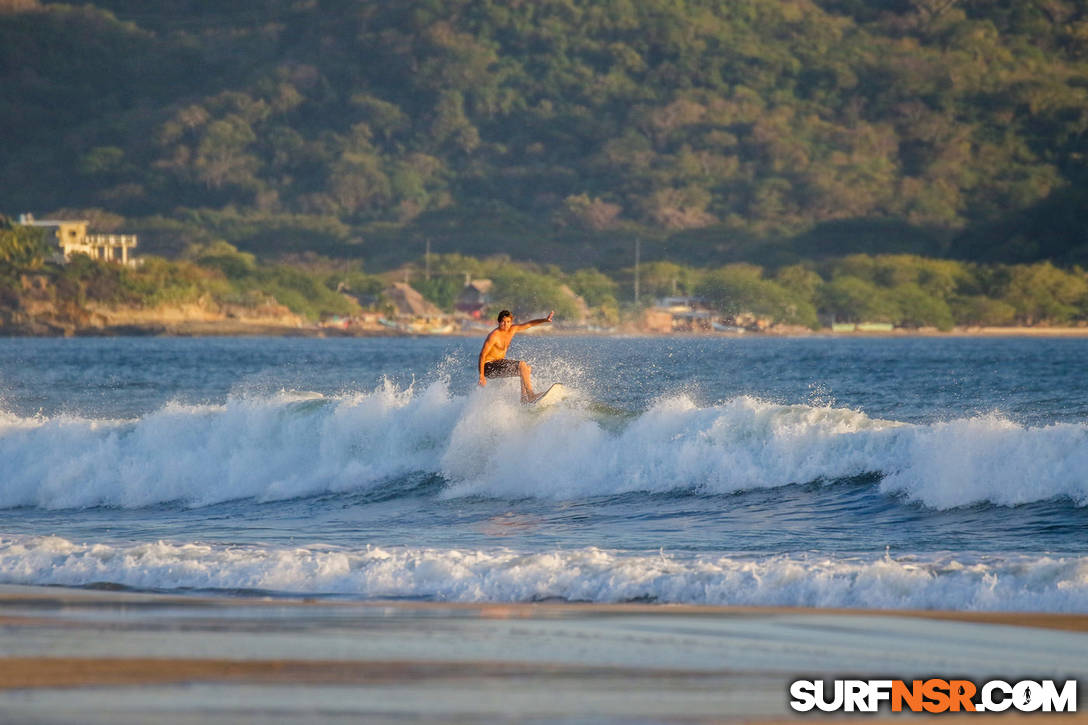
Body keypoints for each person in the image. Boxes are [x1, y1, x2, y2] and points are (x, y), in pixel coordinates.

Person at [478, 309, 554, 402]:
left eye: (508, 322)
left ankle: (524, 398)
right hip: (489, 367)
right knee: (521, 365)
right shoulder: (494, 336)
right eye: (503, 322)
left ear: (511, 322)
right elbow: (482, 355)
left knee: (526, 369)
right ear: (499, 322)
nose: (506, 324)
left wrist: (544, 320)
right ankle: (531, 395)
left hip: (498, 364)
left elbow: (529, 324)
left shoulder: (512, 330)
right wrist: (481, 376)